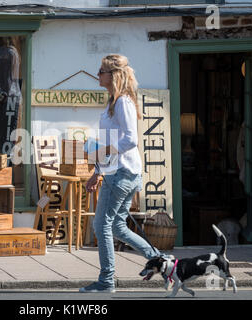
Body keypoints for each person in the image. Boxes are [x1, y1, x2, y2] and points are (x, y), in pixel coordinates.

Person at [80, 54, 169, 293]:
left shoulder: (123, 102)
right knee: (118, 226)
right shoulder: (114, 101)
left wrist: (103, 151)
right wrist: (97, 172)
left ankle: (106, 280)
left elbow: (131, 140)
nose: (98, 74)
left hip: (122, 174)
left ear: (113, 75)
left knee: (101, 226)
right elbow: (112, 141)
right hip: (119, 173)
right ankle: (160, 260)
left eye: (101, 71)